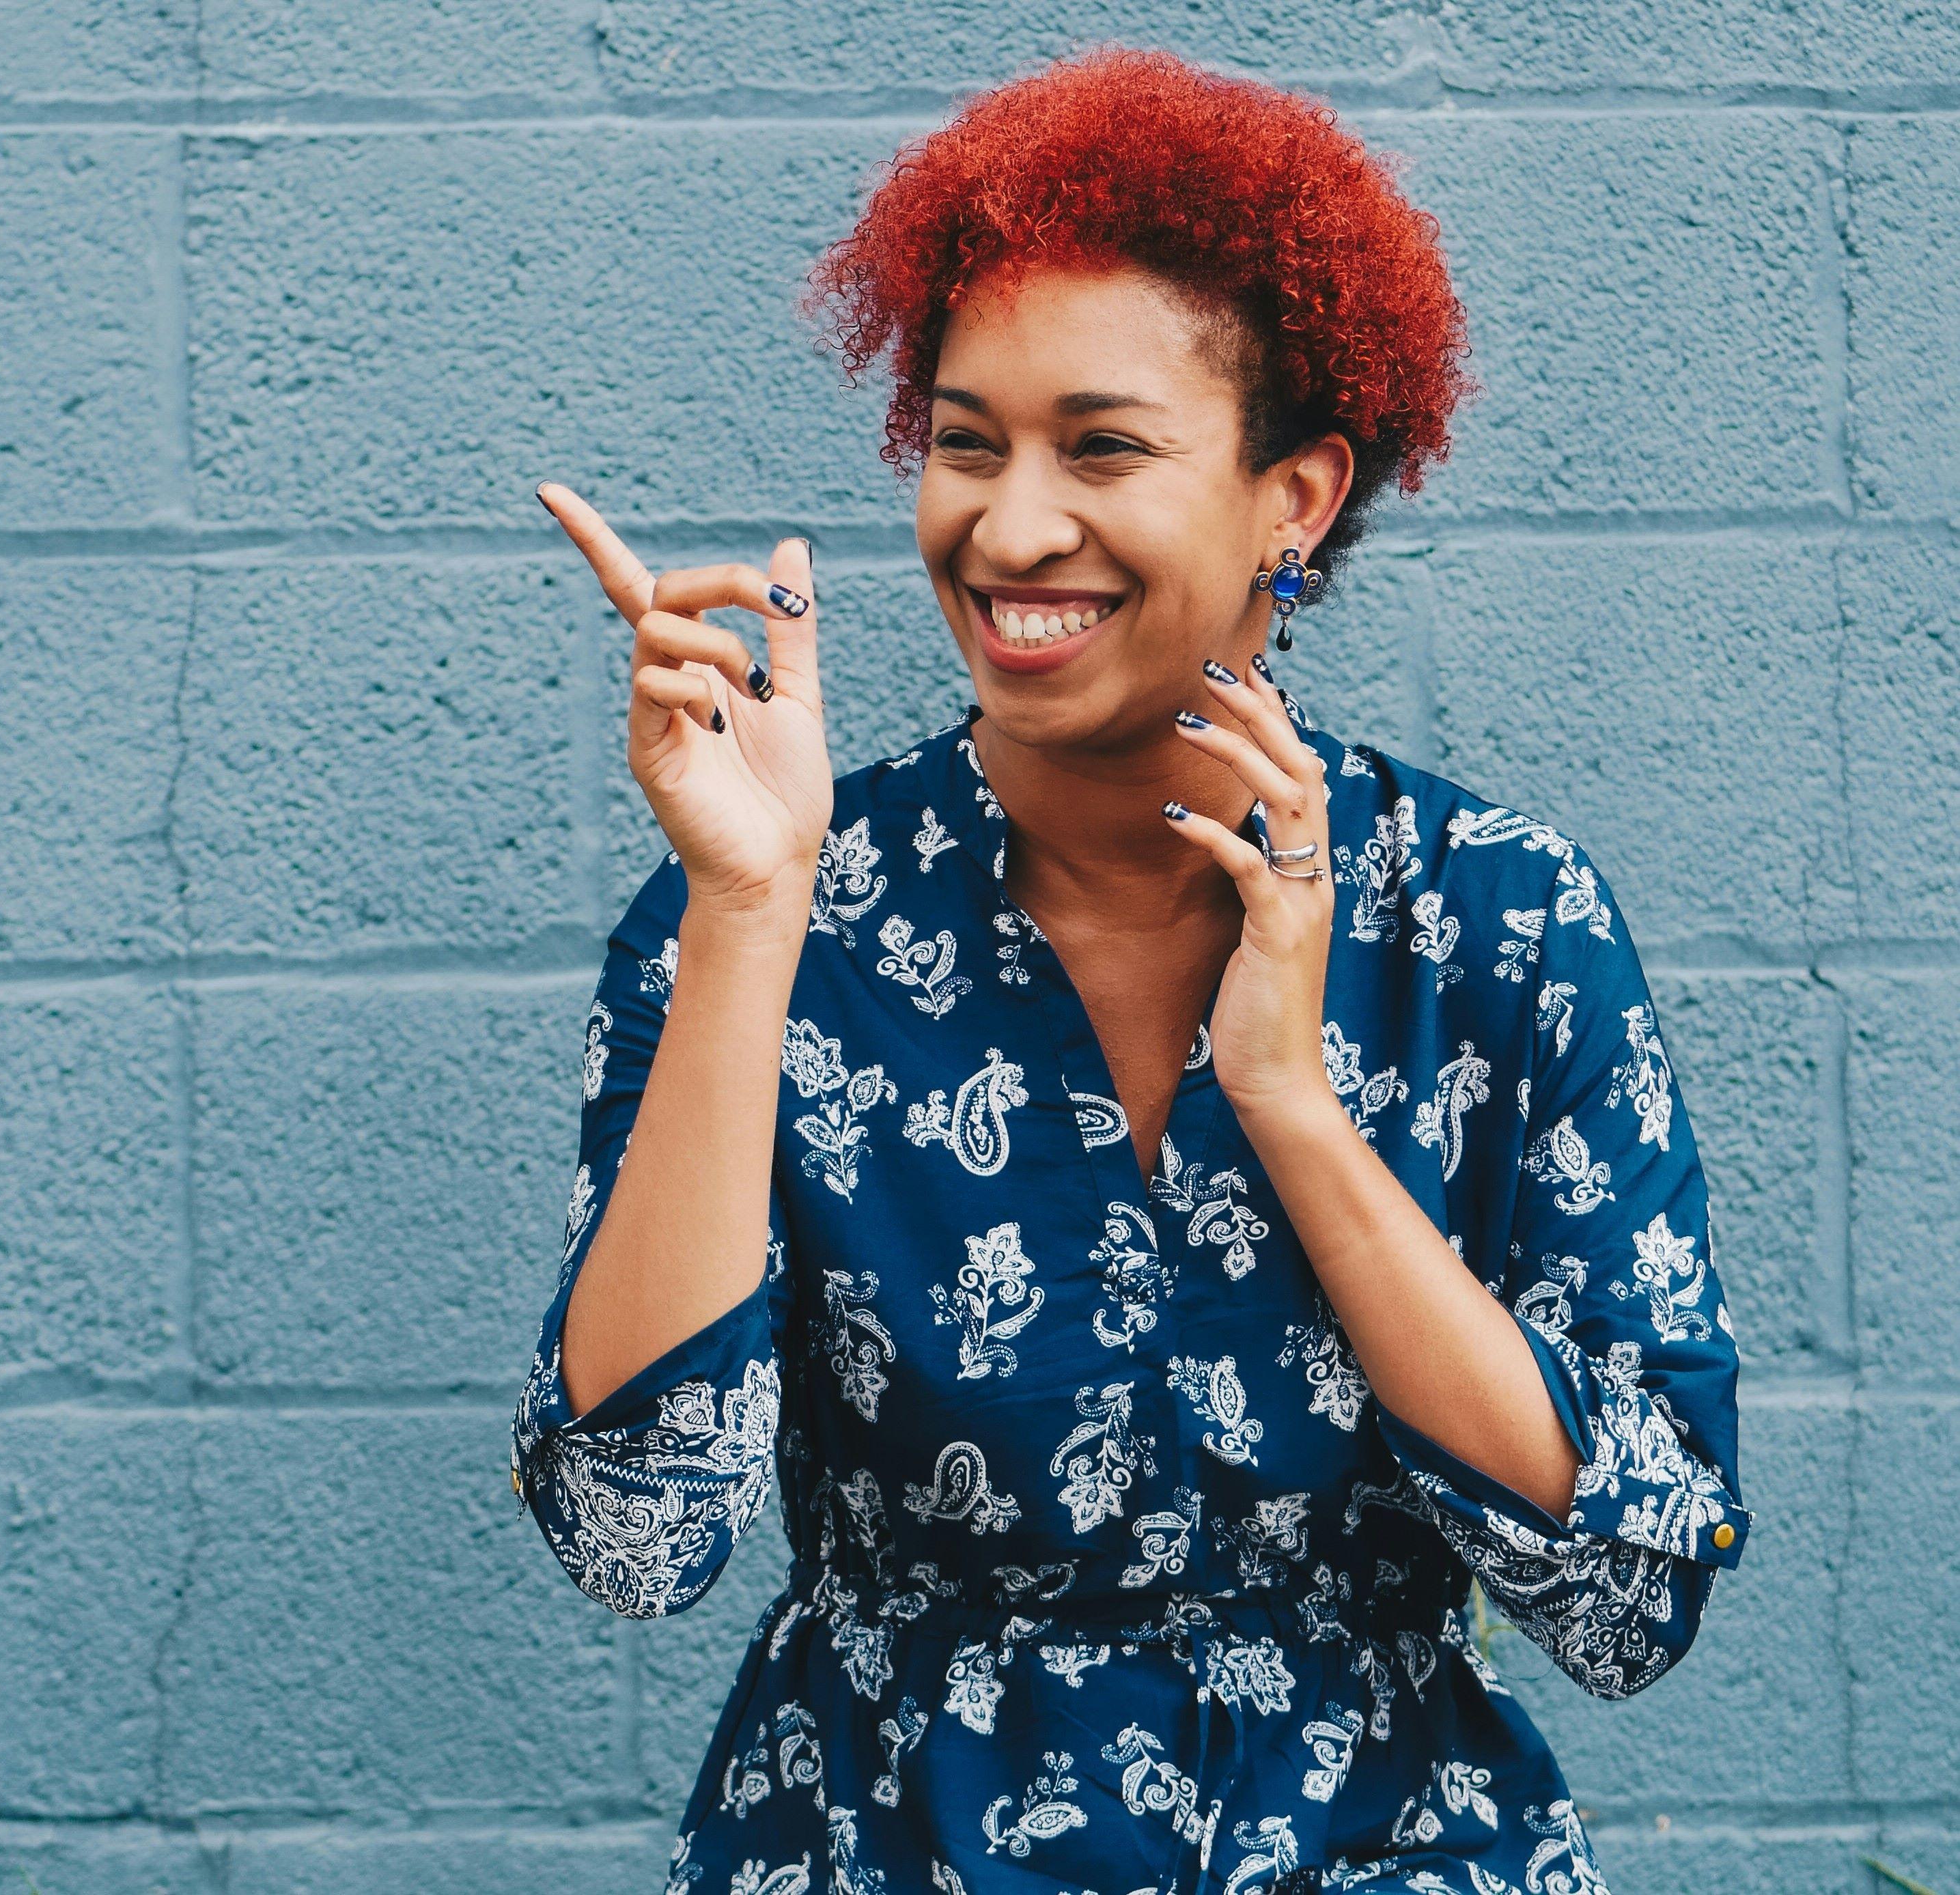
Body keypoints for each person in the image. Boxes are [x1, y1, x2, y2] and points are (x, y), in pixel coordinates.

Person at [508, 46, 1750, 1895]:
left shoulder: (1495, 928)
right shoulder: (764, 915)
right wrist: (752, 919)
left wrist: (1295, 1114)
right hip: (880, 1849)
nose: (1008, 530)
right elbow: (631, 1538)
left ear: (1293, 499)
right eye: (962, 441)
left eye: (1103, 446)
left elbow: (1630, 1596)